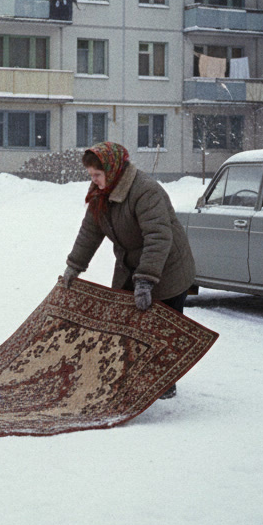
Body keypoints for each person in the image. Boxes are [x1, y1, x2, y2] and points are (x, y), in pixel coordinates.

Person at [61, 141, 196, 397]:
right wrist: (74, 266)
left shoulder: (146, 192)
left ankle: (165, 382)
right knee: (129, 322)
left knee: (162, 326)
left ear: (111, 170)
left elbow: (158, 237)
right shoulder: (101, 193)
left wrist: (146, 280)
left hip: (167, 266)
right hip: (132, 263)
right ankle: (135, 374)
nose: (94, 181)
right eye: (91, 176)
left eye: (97, 175)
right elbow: (90, 231)